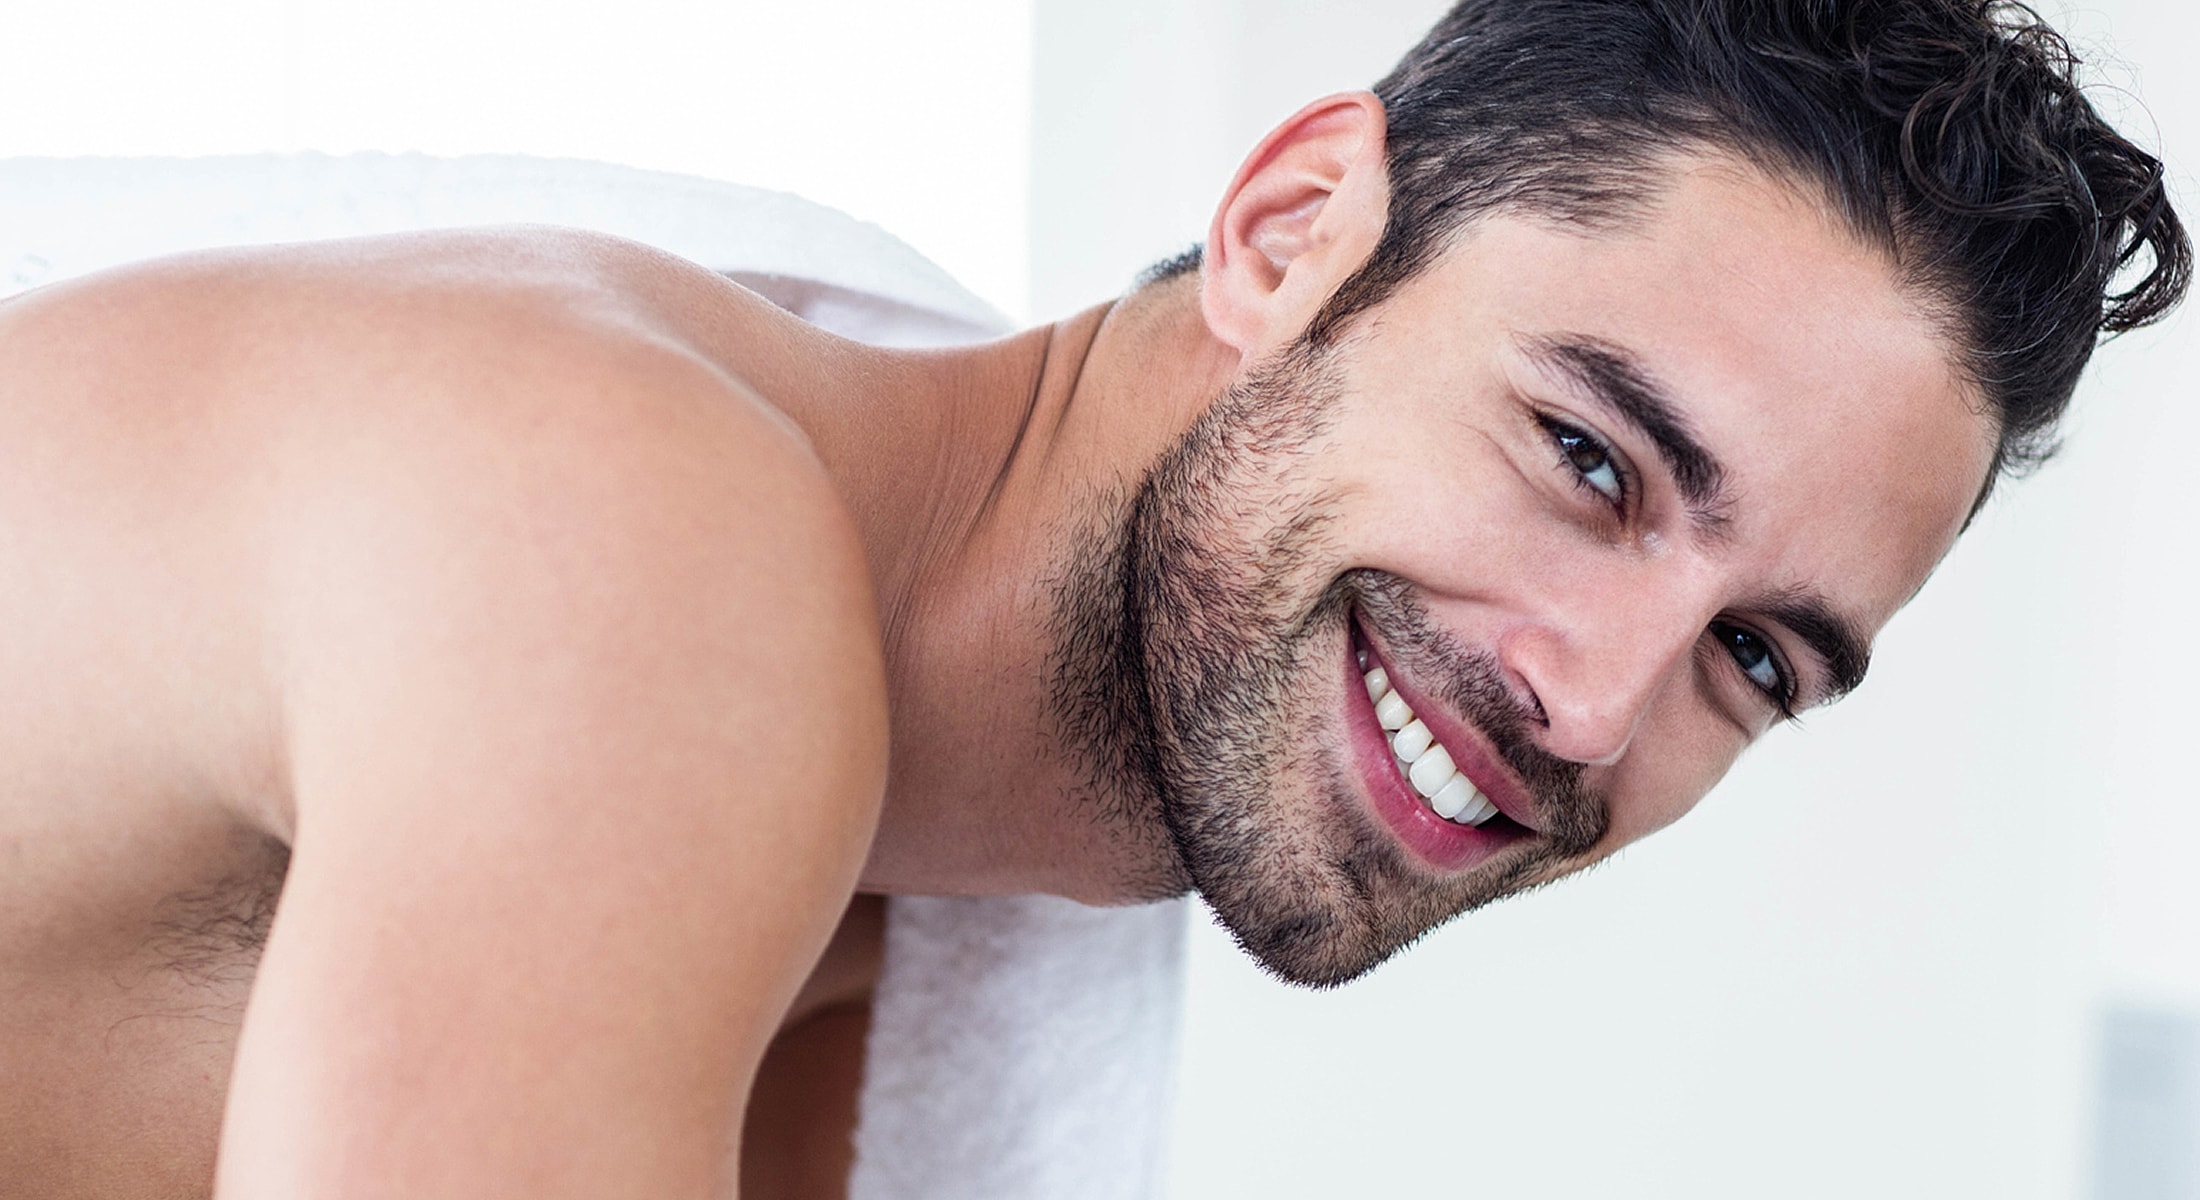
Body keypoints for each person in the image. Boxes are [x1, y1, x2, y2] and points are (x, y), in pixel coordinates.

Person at [0, 0, 2186, 1197]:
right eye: (1588, 459)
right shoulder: (633, 539)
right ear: (1288, 227)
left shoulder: (846, 996)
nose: (1595, 707)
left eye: (1752, 658)